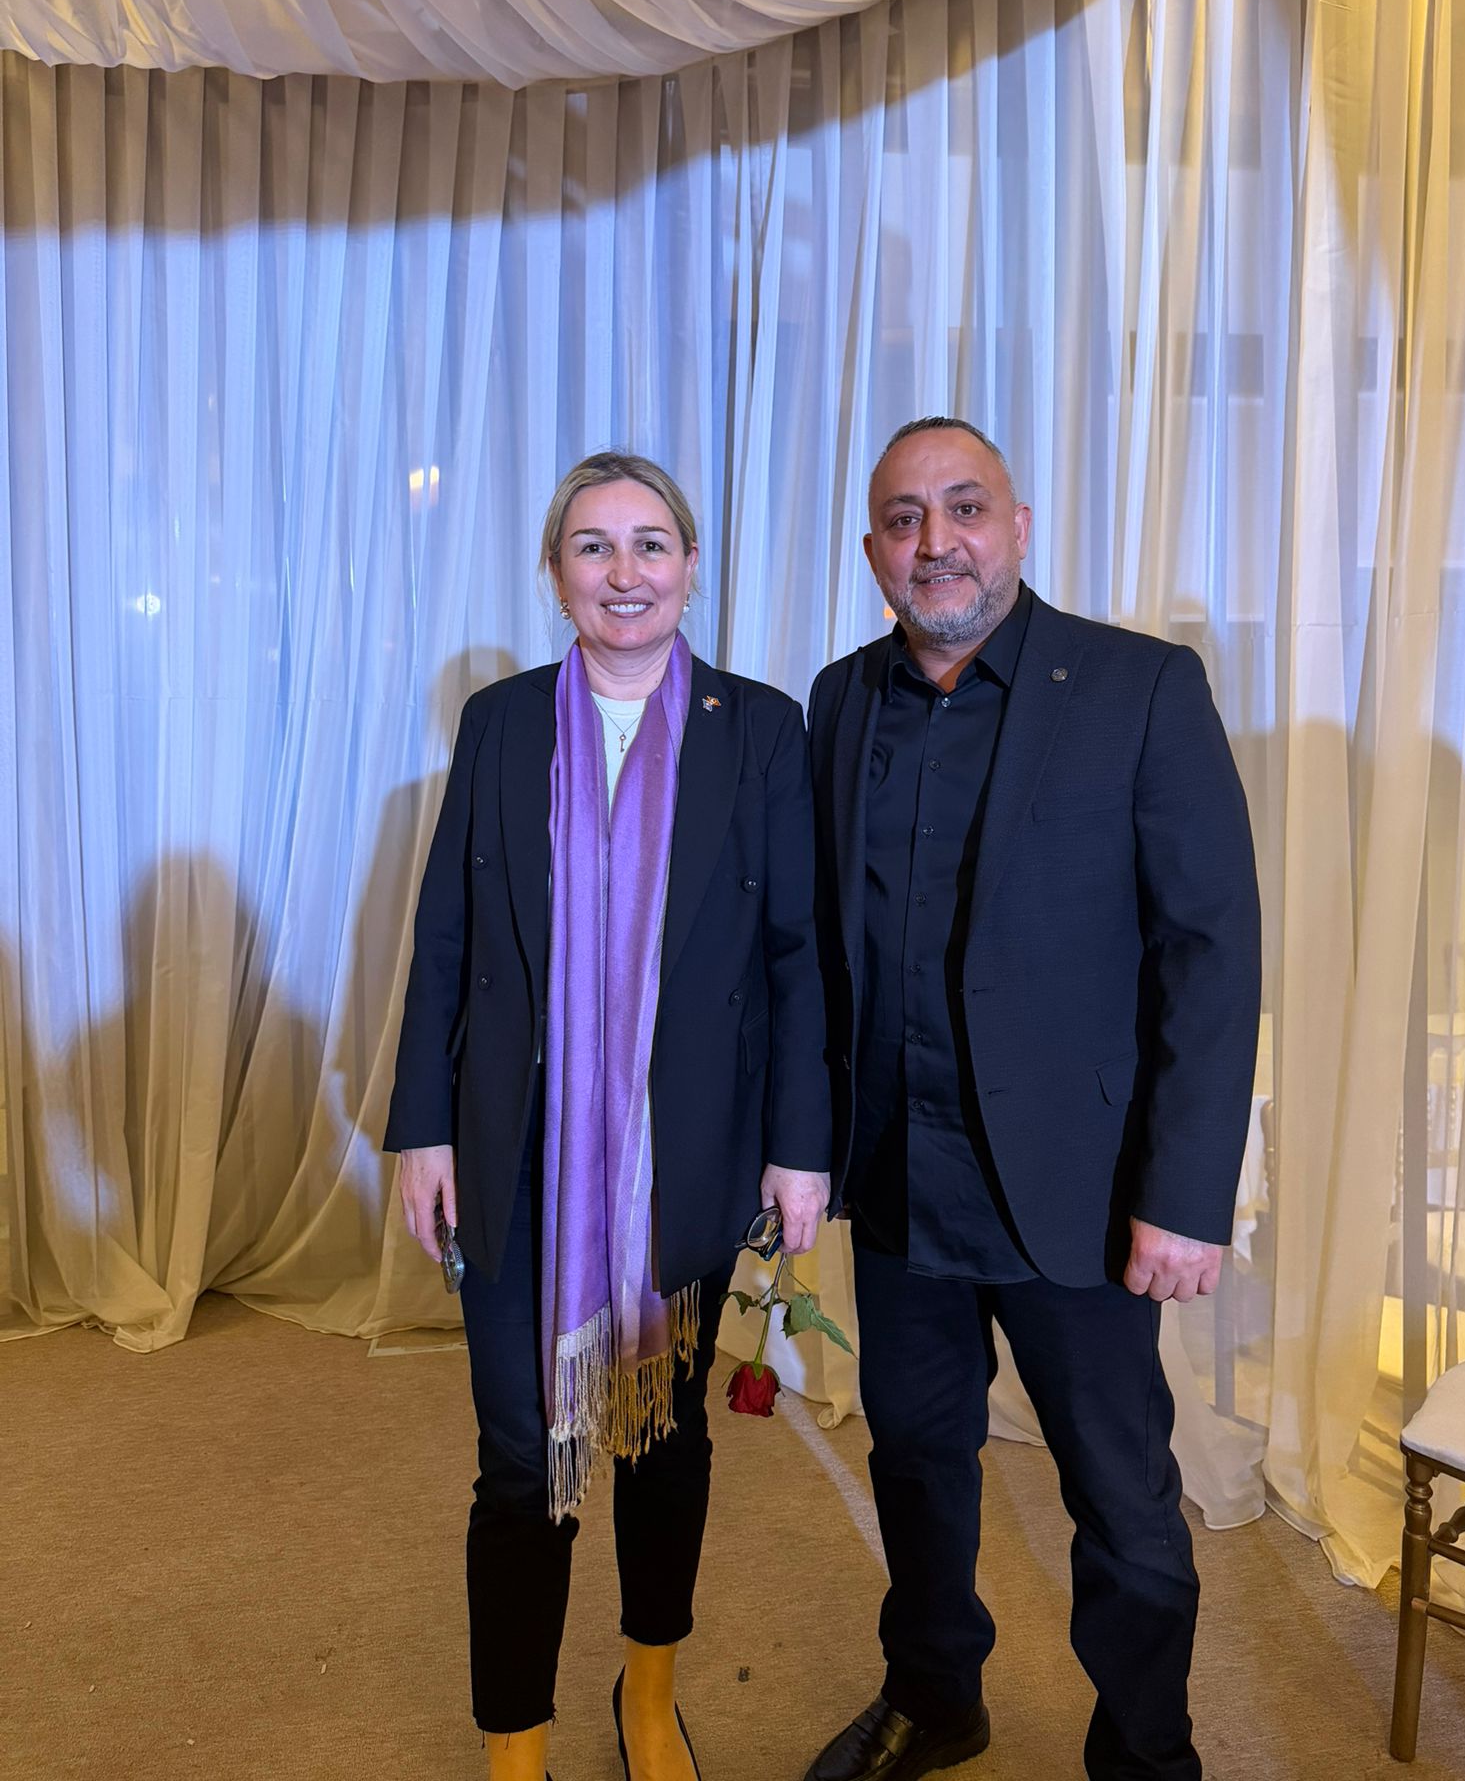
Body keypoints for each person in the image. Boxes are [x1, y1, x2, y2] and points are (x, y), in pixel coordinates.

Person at [802, 418, 1261, 1781]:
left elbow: (1211, 952)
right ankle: (937, 1696)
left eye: (964, 509)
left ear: (1017, 525)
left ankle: (1148, 1755)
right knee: (914, 1461)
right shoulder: (840, 699)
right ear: (873, 550)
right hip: (898, 1177)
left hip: (1079, 1188)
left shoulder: (1140, 687)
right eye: (904, 519)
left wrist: (1186, 1197)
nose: (935, 542)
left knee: (1121, 1499)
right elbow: (818, 944)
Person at [386, 452, 830, 1781]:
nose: (623, 572)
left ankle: (648, 1692)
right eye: (593, 546)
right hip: (512, 1152)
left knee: (662, 1435)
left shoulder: (762, 729)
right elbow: (448, 936)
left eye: (650, 544)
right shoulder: (501, 722)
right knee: (521, 1459)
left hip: (683, 1157)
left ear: (691, 567)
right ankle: (514, 1745)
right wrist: (420, 1126)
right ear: (556, 572)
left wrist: (800, 1145)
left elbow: (798, 957)